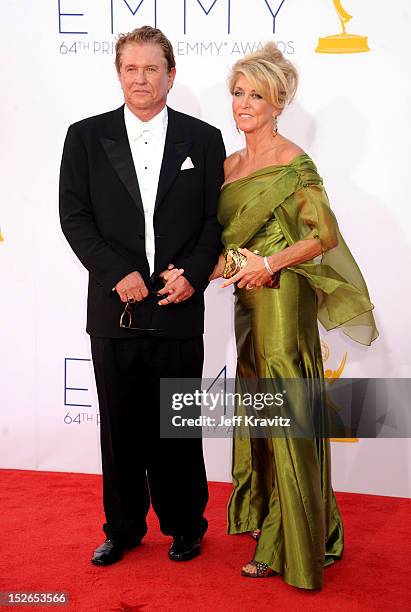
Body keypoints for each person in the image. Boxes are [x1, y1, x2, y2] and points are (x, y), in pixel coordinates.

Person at [59, 26, 225, 566]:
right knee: (121, 429)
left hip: (179, 306)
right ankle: (123, 527)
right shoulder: (84, 137)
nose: (141, 78)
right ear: (118, 74)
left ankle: (185, 525)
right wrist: (115, 273)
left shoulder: (203, 139)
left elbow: (211, 222)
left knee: (177, 425)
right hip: (116, 311)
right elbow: (74, 217)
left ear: (171, 75)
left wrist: (194, 275)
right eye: (131, 68)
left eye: (151, 68)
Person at [214, 42, 378, 589]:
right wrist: (203, 271)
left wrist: (270, 262)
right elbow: (228, 242)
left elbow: (323, 236)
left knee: (287, 417)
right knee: (262, 416)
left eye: (255, 95)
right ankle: (289, 525)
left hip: (284, 298)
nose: (243, 104)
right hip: (246, 302)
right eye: (237, 93)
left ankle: (290, 544)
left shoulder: (294, 162)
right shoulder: (228, 165)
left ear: (278, 103)